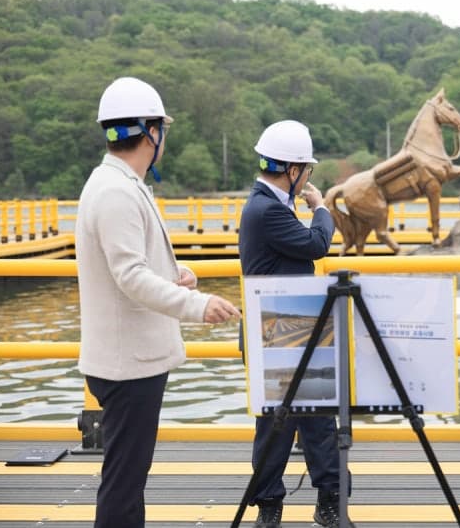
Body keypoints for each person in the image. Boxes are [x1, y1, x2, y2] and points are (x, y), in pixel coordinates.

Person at [76, 76, 241, 528]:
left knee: (128, 476)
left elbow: (127, 269)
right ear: (151, 132)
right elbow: (129, 277)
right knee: (125, 481)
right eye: (162, 128)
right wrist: (197, 305)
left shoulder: (117, 183)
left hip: (127, 357)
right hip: (128, 363)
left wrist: (173, 278)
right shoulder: (115, 191)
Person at [238, 120, 351, 528]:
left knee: (314, 419)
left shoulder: (268, 205)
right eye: (307, 170)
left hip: (294, 324)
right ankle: (274, 503)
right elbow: (316, 244)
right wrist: (321, 208)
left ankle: (326, 498)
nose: (308, 178)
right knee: (278, 423)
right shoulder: (266, 208)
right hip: (277, 328)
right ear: (292, 170)